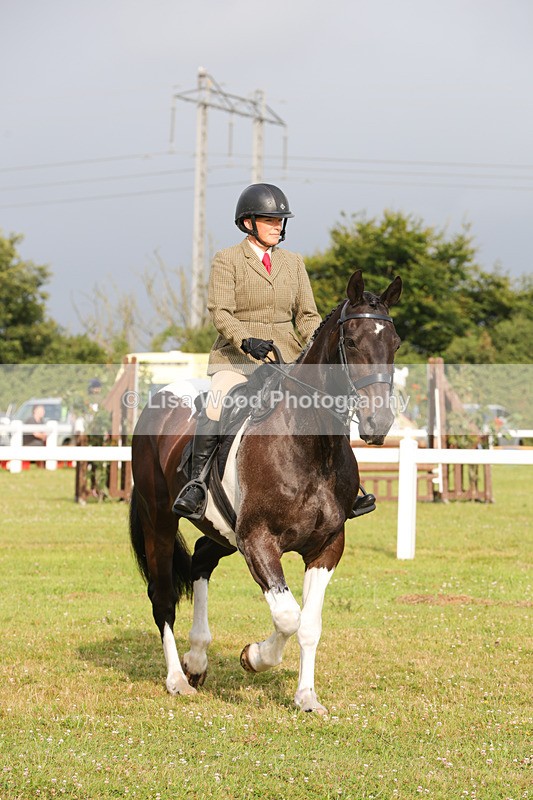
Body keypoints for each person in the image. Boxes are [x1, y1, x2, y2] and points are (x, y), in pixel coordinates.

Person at [172, 183, 376, 519]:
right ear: (248, 223)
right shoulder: (228, 259)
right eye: (270, 220)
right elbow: (221, 312)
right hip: (237, 358)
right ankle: (196, 484)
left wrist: (319, 348)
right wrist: (245, 340)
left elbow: (307, 315)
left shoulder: (293, 263)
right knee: (217, 403)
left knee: (328, 403)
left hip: (287, 357)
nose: (277, 226)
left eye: (280, 220)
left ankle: (343, 486)